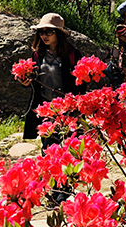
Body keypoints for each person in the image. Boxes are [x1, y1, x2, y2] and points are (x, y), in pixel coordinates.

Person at [20, 13, 84, 149]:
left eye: (49, 32)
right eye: (41, 32)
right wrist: (26, 82)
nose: (44, 35)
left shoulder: (72, 54)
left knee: (72, 148)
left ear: (58, 33)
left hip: (67, 109)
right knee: (48, 148)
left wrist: (79, 110)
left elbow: (81, 84)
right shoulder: (37, 54)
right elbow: (35, 81)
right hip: (45, 109)